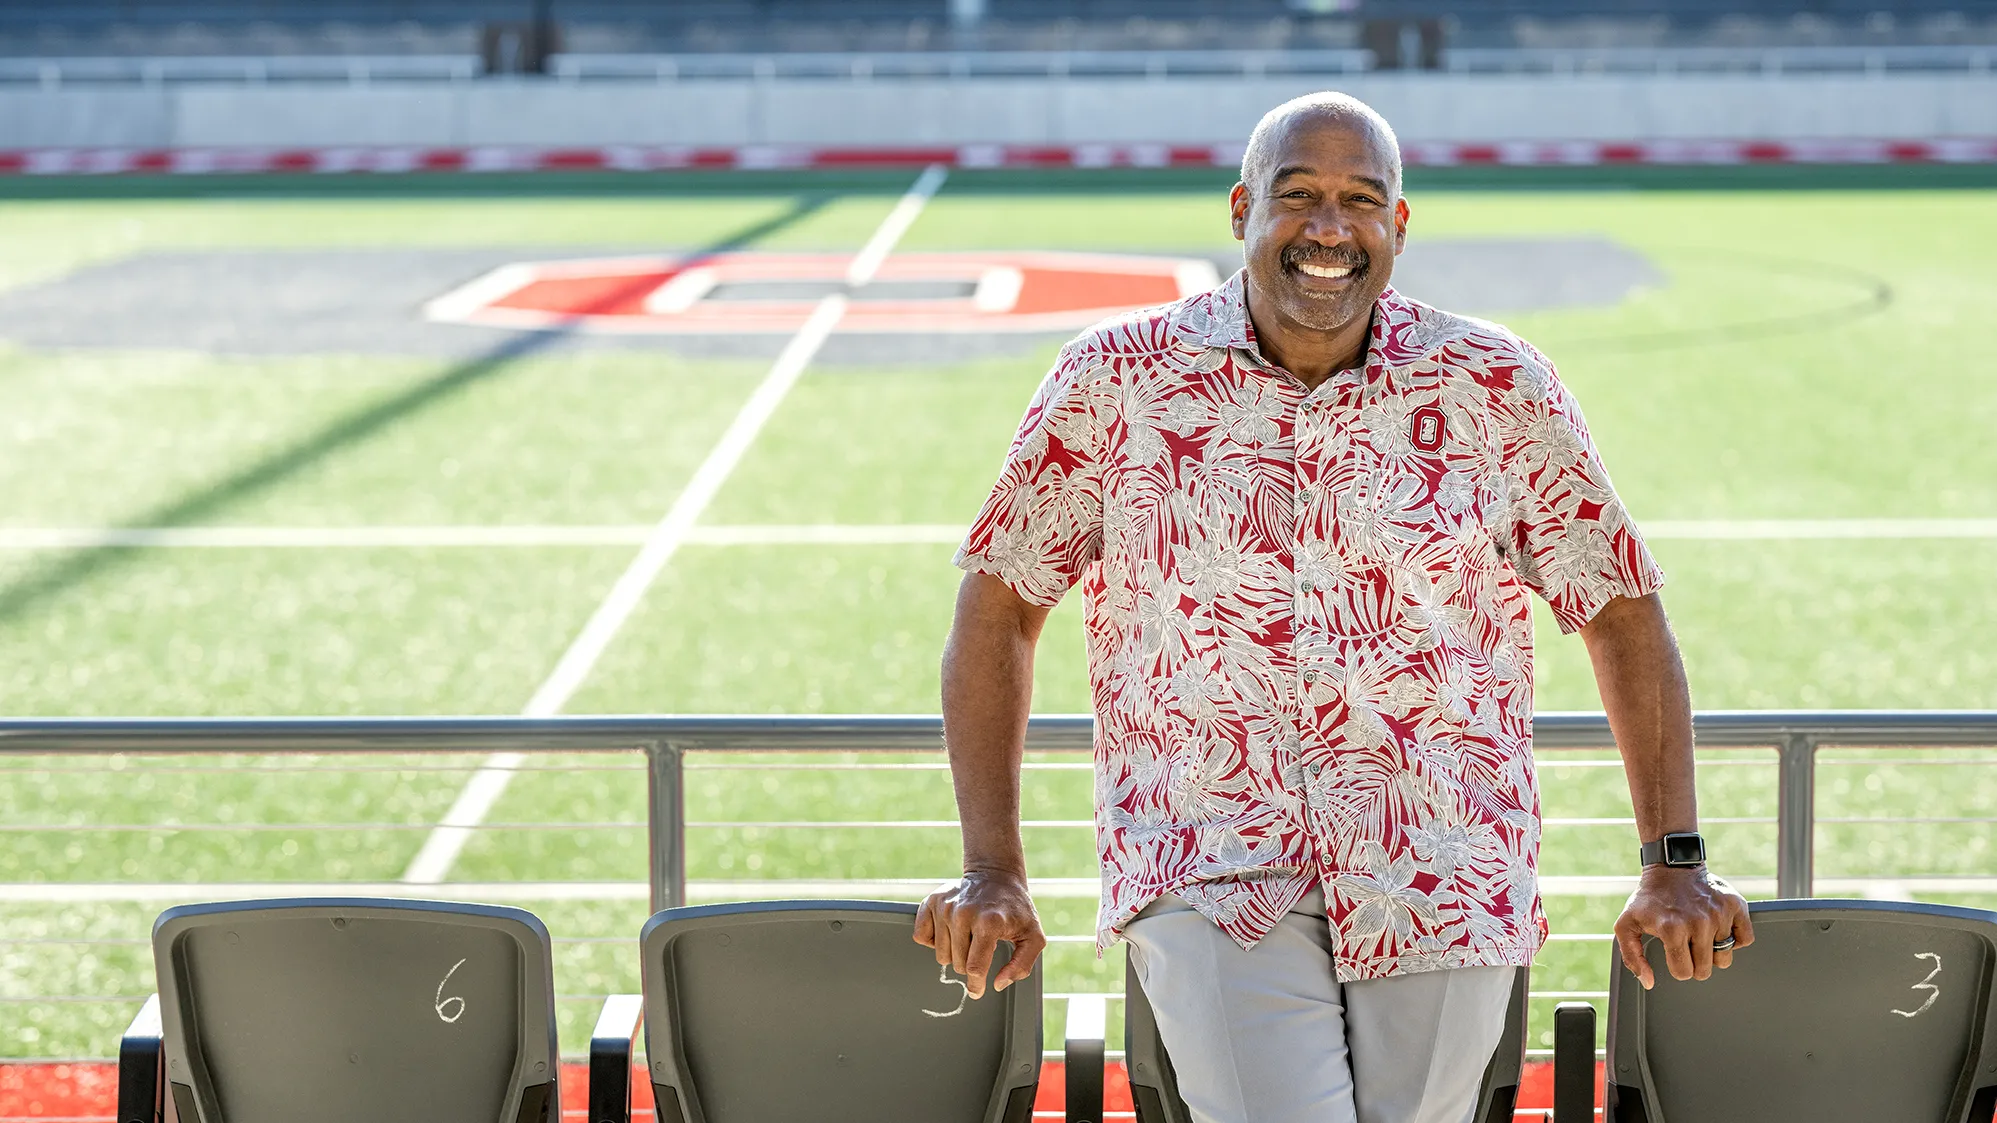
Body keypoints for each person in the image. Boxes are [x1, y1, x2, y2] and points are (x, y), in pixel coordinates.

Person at [914, 91, 1753, 1123]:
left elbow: (1618, 608)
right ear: (1239, 209)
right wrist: (989, 865)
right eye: (1296, 195)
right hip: (1210, 858)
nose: (1327, 227)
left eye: (1360, 199)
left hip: (1442, 861)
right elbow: (998, 607)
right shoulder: (1112, 382)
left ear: (1397, 225)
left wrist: (1672, 858)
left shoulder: (1493, 383)